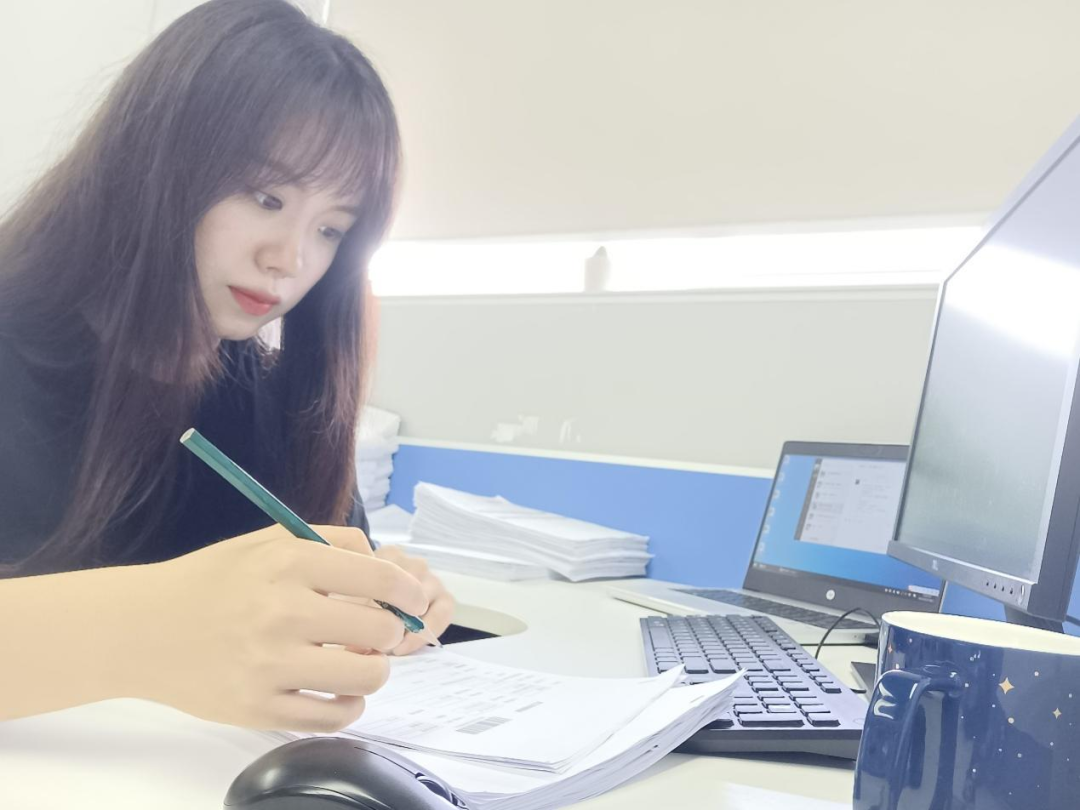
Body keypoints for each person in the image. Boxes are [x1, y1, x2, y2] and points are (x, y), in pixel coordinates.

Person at [0, 0, 453, 732]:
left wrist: (384, 602)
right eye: (266, 197)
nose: (289, 258)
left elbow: (328, 600)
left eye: (331, 228)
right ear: (153, 158)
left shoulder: (284, 404)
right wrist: (151, 627)